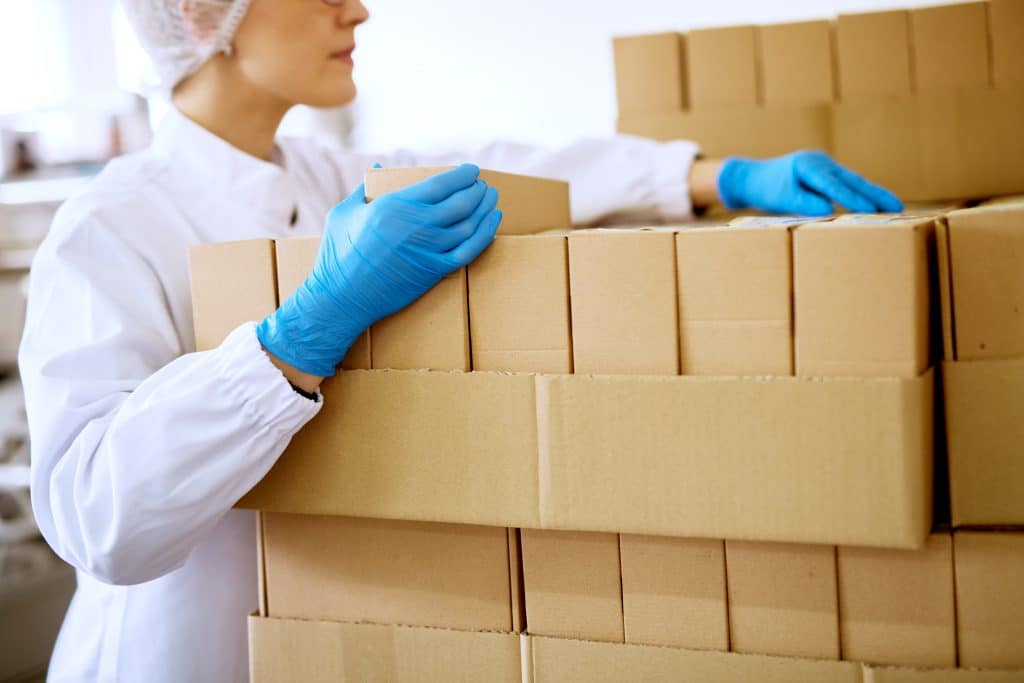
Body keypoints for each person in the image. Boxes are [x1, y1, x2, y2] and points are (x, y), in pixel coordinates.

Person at [18, 1, 903, 681]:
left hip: (321, 636)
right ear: (201, 12)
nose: (357, 9)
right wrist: (300, 330)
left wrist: (712, 176)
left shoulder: (329, 175)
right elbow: (97, 516)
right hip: (175, 655)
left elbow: (502, 170)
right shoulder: (113, 224)